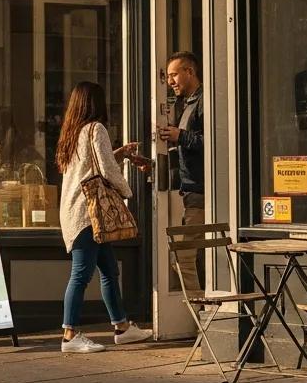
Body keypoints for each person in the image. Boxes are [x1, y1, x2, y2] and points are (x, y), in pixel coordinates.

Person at [56, 81, 152, 353]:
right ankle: (69, 335)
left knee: (110, 270)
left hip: (76, 211)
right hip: (89, 214)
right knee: (81, 274)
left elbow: (92, 165)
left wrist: (118, 153)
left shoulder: (72, 133)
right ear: (96, 103)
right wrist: (127, 192)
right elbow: (106, 170)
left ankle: (122, 327)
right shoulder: (96, 129)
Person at [158, 50, 205, 294]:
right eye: (168, 77)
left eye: (174, 75)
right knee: (194, 259)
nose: (170, 82)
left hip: (201, 193)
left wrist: (181, 136)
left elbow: (215, 143)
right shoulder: (187, 104)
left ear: (190, 71)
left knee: (182, 259)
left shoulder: (204, 101)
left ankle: (202, 312)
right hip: (192, 193)